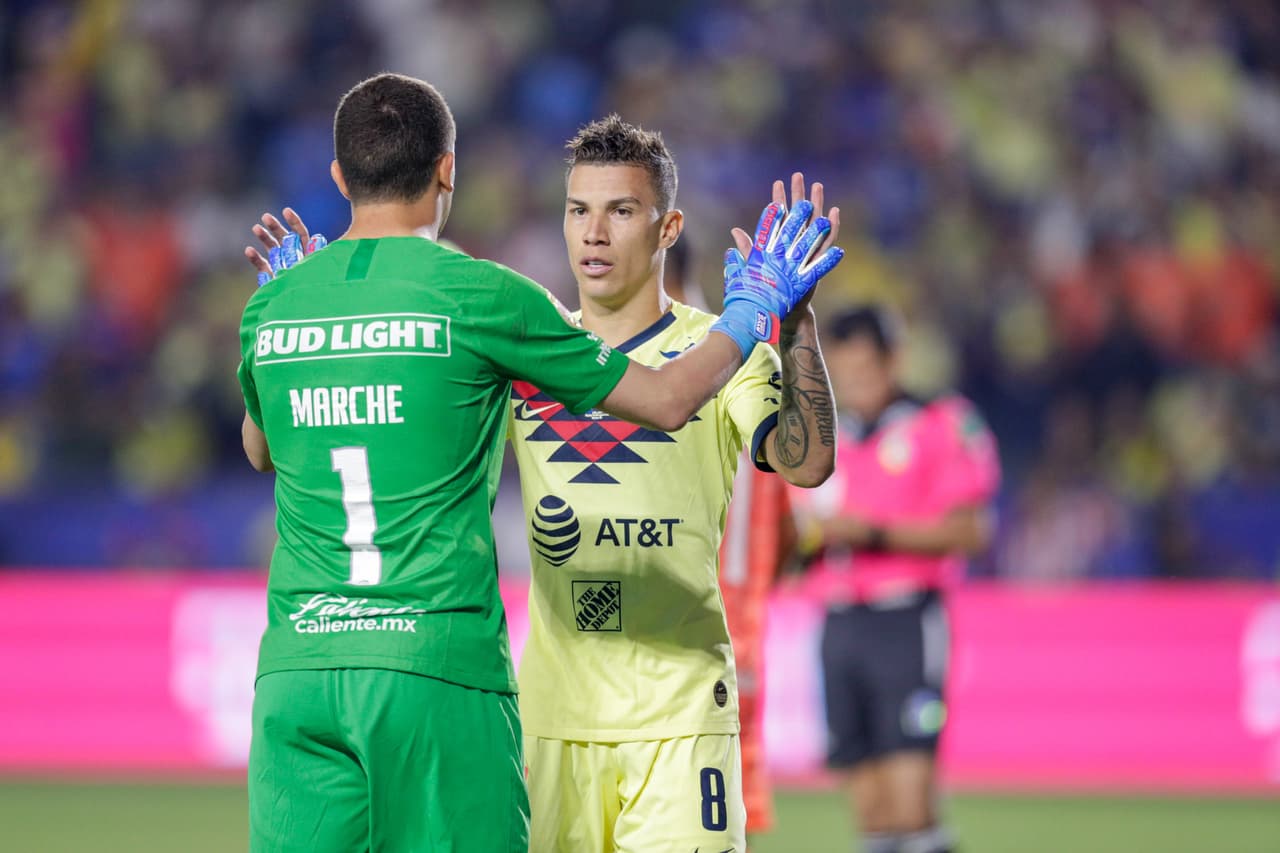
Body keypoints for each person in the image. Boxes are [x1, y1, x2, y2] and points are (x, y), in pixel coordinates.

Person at [237, 74, 841, 853]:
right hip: (551, 714)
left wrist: (788, 328)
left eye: (620, 211)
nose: (593, 232)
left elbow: (807, 461)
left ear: (666, 229)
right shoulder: (522, 343)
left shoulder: (715, 353)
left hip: (680, 708)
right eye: (577, 210)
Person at [790, 305, 1000, 853]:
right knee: (873, 813)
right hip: (837, 624)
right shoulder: (818, 436)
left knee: (912, 804)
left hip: (905, 622)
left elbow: (972, 531)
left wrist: (871, 533)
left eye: (865, 371)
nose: (854, 386)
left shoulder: (942, 423)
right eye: (844, 373)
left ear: (894, 360)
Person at [667, 235, 794, 839]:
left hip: (672, 636)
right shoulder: (748, 360)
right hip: (740, 635)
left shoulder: (658, 366)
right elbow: (795, 507)